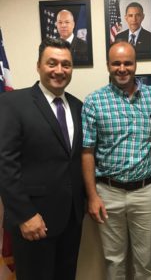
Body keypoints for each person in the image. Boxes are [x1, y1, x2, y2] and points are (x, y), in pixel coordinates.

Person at [0, 38, 85, 280]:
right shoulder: (12, 103)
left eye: (66, 65)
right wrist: (25, 215)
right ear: (38, 65)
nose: (59, 70)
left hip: (71, 219)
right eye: (52, 63)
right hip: (33, 221)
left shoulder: (78, 107)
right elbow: (5, 164)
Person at [82, 41, 151, 279]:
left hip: (146, 192)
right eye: (116, 63)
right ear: (108, 65)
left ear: (136, 64)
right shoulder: (94, 101)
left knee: (146, 262)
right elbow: (87, 152)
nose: (122, 68)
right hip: (108, 193)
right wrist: (92, 196)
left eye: (128, 62)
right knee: (113, 261)